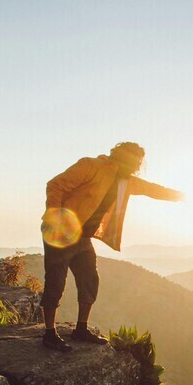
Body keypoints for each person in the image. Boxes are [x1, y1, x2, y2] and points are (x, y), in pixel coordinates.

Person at [39, 142, 184, 351]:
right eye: (133, 163)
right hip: (60, 233)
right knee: (56, 281)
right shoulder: (90, 166)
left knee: (90, 279)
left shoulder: (126, 182)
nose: (136, 167)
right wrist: (55, 216)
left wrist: (181, 196)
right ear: (121, 158)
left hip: (82, 237)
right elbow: (55, 185)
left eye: (138, 164)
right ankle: (49, 333)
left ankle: (81, 329)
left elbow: (152, 189)